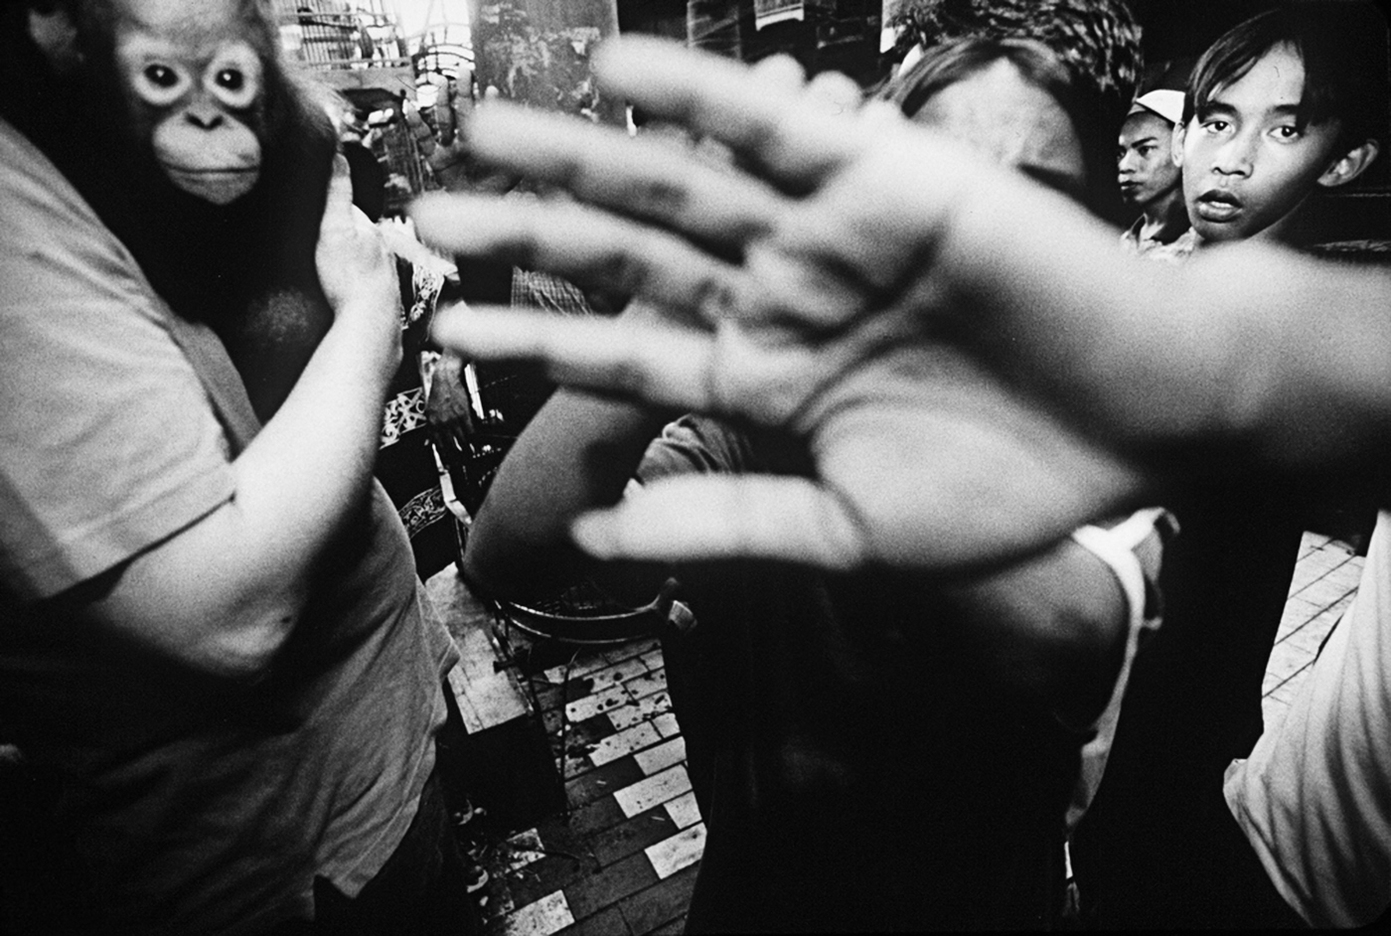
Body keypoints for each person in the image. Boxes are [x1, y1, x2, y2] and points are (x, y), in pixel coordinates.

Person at [411, 27, 1391, 928]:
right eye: (931, 190)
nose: (958, 248)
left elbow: (1072, 637)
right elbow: (513, 555)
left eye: (1024, 207)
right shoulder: (760, 435)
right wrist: (680, 303)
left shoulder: (1091, 451)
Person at [0, 2, 471, 933]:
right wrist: (370, 304)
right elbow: (228, 611)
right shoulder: (22, 206)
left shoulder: (113, 147)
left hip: (367, 797)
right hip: (285, 869)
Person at [1071, 6, 1386, 925]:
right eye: (1217, 122)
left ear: (1344, 160)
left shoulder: (1314, 330)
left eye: (1283, 128)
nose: (1233, 158)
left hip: (1179, 753)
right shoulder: (1165, 281)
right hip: (1106, 730)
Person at [1116, 88, 1189, 255]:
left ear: (1181, 146)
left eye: (1145, 149)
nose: (1125, 166)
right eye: (1121, 153)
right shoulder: (1125, 242)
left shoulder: (1203, 243)